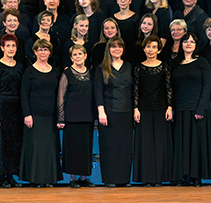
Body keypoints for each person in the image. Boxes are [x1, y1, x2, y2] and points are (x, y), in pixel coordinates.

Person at [171, 32, 211, 186]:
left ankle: (196, 176)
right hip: (181, 109)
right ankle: (184, 175)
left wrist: (201, 108)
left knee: (197, 144)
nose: (188, 44)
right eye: (185, 41)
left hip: (197, 109)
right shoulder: (176, 63)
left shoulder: (202, 62)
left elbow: (207, 85)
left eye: (191, 41)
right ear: (181, 44)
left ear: (196, 45)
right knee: (183, 144)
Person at [19, 39, 61, 187]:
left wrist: (59, 116)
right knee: (36, 148)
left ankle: (48, 179)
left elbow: (59, 95)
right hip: (34, 115)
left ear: (50, 52)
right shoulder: (29, 71)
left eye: (45, 49)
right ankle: (36, 179)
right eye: (40, 50)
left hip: (50, 116)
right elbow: (23, 94)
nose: (43, 52)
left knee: (49, 148)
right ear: (35, 52)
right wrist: (27, 114)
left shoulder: (55, 71)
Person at [132, 35, 173, 186]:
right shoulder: (138, 67)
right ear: (144, 49)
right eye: (148, 47)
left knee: (160, 143)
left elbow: (169, 88)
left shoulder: (164, 66)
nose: (151, 50)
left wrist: (169, 107)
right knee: (146, 144)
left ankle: (159, 178)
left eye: (154, 47)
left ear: (159, 50)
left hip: (162, 109)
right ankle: (147, 178)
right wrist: (135, 108)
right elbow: (136, 89)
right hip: (144, 109)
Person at [94, 37, 134, 187]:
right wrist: (101, 111)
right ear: (108, 49)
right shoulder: (102, 68)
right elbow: (98, 91)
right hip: (109, 112)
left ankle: (123, 179)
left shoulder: (129, 67)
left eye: (119, 47)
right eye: (113, 47)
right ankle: (110, 179)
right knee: (109, 147)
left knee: (124, 147)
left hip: (126, 112)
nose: (117, 49)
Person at [0, 34, 26, 188]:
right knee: (2, 144)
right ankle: (2, 176)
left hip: (16, 109)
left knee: (14, 143)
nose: (11, 49)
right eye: (8, 46)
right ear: (2, 48)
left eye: (13, 46)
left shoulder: (20, 66)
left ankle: (11, 175)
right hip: (2, 107)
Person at [57, 44, 96, 188]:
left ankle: (83, 177)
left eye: (80, 54)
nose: (78, 57)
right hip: (71, 117)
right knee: (72, 148)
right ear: (71, 57)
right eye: (75, 55)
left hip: (87, 116)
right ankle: (73, 178)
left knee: (85, 149)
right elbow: (61, 97)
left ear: (85, 56)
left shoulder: (91, 73)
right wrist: (61, 118)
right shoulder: (67, 74)